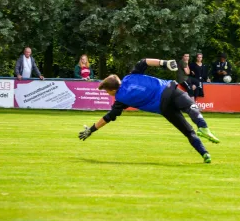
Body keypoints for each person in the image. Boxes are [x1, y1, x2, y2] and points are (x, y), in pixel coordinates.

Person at [78, 58, 220, 164]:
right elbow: (144, 62)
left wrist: (91, 130)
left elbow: (108, 117)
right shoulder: (130, 76)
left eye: (107, 91)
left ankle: (205, 154)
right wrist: (164, 63)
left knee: (188, 131)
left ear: (113, 89)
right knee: (191, 107)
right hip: (169, 90)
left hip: (164, 107)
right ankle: (203, 127)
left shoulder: (120, 100)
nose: (108, 93)